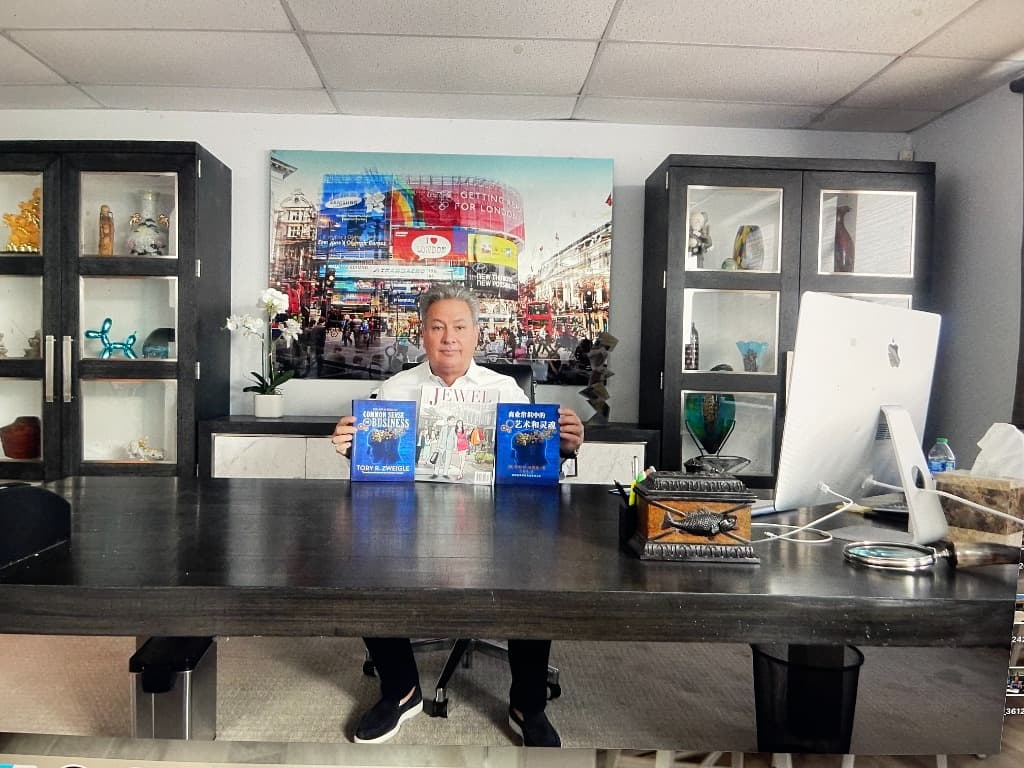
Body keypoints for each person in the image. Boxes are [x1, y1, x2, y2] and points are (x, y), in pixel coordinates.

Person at [332, 283, 584, 747]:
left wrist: (562, 447)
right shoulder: (395, 388)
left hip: (496, 514)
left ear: (477, 335)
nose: (449, 338)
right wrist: (353, 448)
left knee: (537, 564)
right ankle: (401, 689)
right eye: (438, 327)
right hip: (411, 513)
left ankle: (528, 703)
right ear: (422, 335)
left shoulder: (505, 389)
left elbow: (530, 461)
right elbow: (378, 464)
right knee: (360, 556)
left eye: (460, 327)